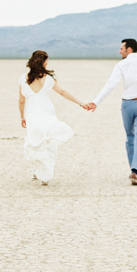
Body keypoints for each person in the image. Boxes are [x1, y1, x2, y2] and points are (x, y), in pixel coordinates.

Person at [84, 39, 137, 185]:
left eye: (121, 48)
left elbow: (110, 84)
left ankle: (133, 170)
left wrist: (96, 101)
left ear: (129, 49)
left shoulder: (121, 65)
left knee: (130, 136)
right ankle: (135, 171)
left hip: (127, 104)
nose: (119, 51)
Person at [19, 50, 85, 185]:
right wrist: (80, 103)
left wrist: (22, 117)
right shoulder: (49, 78)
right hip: (47, 114)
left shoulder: (23, 79)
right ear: (42, 62)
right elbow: (62, 92)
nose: (47, 63)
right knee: (49, 144)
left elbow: (21, 101)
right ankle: (44, 174)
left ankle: (38, 171)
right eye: (47, 61)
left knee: (36, 142)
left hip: (32, 115)